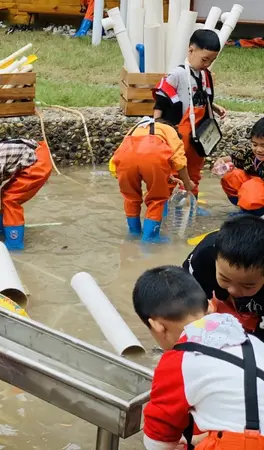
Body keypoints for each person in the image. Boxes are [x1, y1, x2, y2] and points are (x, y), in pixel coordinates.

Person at [134, 265, 264, 450]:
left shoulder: (179, 359)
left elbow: (157, 438)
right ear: (211, 306)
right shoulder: (250, 341)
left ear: (157, 327)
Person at [154, 29, 227, 214]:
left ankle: (191, 203)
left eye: (211, 61)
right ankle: (163, 209)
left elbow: (202, 98)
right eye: (204, 59)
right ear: (191, 50)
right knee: (173, 171)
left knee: (194, 171)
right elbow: (161, 102)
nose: (207, 64)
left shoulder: (206, 75)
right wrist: (157, 127)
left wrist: (215, 107)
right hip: (178, 131)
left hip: (199, 132)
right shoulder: (177, 75)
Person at [111, 117, 194, 242]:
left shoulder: (135, 128)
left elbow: (119, 160)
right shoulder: (170, 130)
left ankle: (134, 233)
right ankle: (150, 238)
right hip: (153, 155)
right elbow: (179, 161)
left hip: (124, 159)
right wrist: (188, 184)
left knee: (130, 198)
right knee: (157, 198)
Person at [183, 215, 264, 339]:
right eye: (225, 278)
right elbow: (184, 299)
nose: (233, 290)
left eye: (247, 285)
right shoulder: (203, 257)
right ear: (215, 258)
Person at [218, 117, 264, 216]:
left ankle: (255, 215)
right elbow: (232, 157)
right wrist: (220, 161)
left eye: (263, 146)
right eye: (255, 145)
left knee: (251, 188)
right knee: (231, 176)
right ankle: (247, 210)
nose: (259, 150)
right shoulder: (249, 153)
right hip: (256, 194)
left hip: (257, 194)